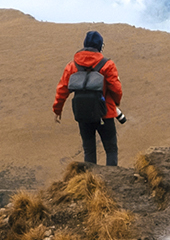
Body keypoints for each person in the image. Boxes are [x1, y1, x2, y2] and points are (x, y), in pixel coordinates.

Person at [51, 29, 125, 168]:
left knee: (89, 150)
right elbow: (116, 89)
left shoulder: (72, 66)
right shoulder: (108, 65)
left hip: (83, 112)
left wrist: (57, 110)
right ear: (100, 47)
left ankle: (89, 184)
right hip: (105, 113)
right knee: (111, 150)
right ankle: (110, 183)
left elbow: (62, 89)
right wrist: (115, 104)